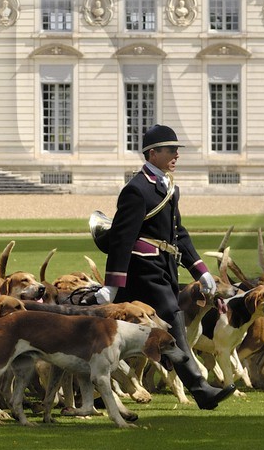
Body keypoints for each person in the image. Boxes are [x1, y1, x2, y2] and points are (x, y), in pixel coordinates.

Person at [95, 124, 236, 410]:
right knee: (173, 320)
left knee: (114, 331)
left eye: (176, 150)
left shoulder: (168, 186)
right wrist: (112, 284)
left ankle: (94, 389)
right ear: (152, 153)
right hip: (143, 270)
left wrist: (200, 270)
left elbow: (177, 234)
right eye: (171, 150)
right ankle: (202, 390)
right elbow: (122, 239)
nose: (176, 155)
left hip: (164, 268)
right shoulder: (136, 190)